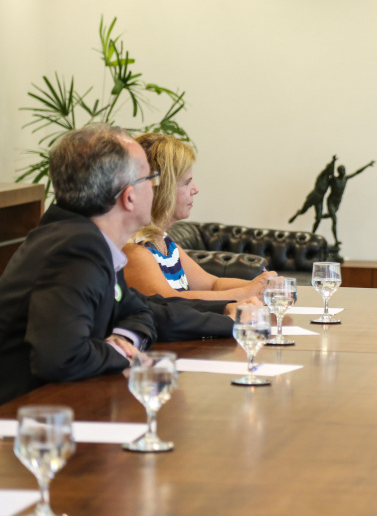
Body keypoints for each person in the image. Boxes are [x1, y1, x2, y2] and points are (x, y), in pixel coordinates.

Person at [0, 125, 235, 405]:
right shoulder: (75, 249)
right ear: (129, 196)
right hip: (28, 421)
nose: (156, 188)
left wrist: (230, 318)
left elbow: (144, 311)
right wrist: (120, 352)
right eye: (151, 178)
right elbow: (60, 358)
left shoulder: (85, 238)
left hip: (60, 404)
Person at [122, 133, 275, 302]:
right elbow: (169, 301)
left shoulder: (163, 242)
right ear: (163, 189)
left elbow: (212, 284)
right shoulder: (135, 249)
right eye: (187, 182)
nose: (195, 189)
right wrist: (246, 293)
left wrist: (260, 285)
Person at [323, 159, 375, 246]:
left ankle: (320, 216)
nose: (343, 172)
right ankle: (336, 240)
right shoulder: (334, 179)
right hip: (331, 201)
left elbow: (357, 172)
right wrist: (333, 162)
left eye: (344, 170)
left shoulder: (345, 179)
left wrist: (368, 165)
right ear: (338, 171)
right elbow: (329, 173)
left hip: (338, 201)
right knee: (334, 219)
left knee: (330, 215)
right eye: (341, 170)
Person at [289, 155, 337, 231]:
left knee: (319, 218)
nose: (331, 172)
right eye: (330, 170)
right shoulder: (321, 177)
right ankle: (296, 215)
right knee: (303, 211)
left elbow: (333, 173)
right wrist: (333, 161)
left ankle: (313, 233)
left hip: (320, 199)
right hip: (314, 196)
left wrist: (334, 163)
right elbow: (327, 169)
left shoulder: (329, 180)